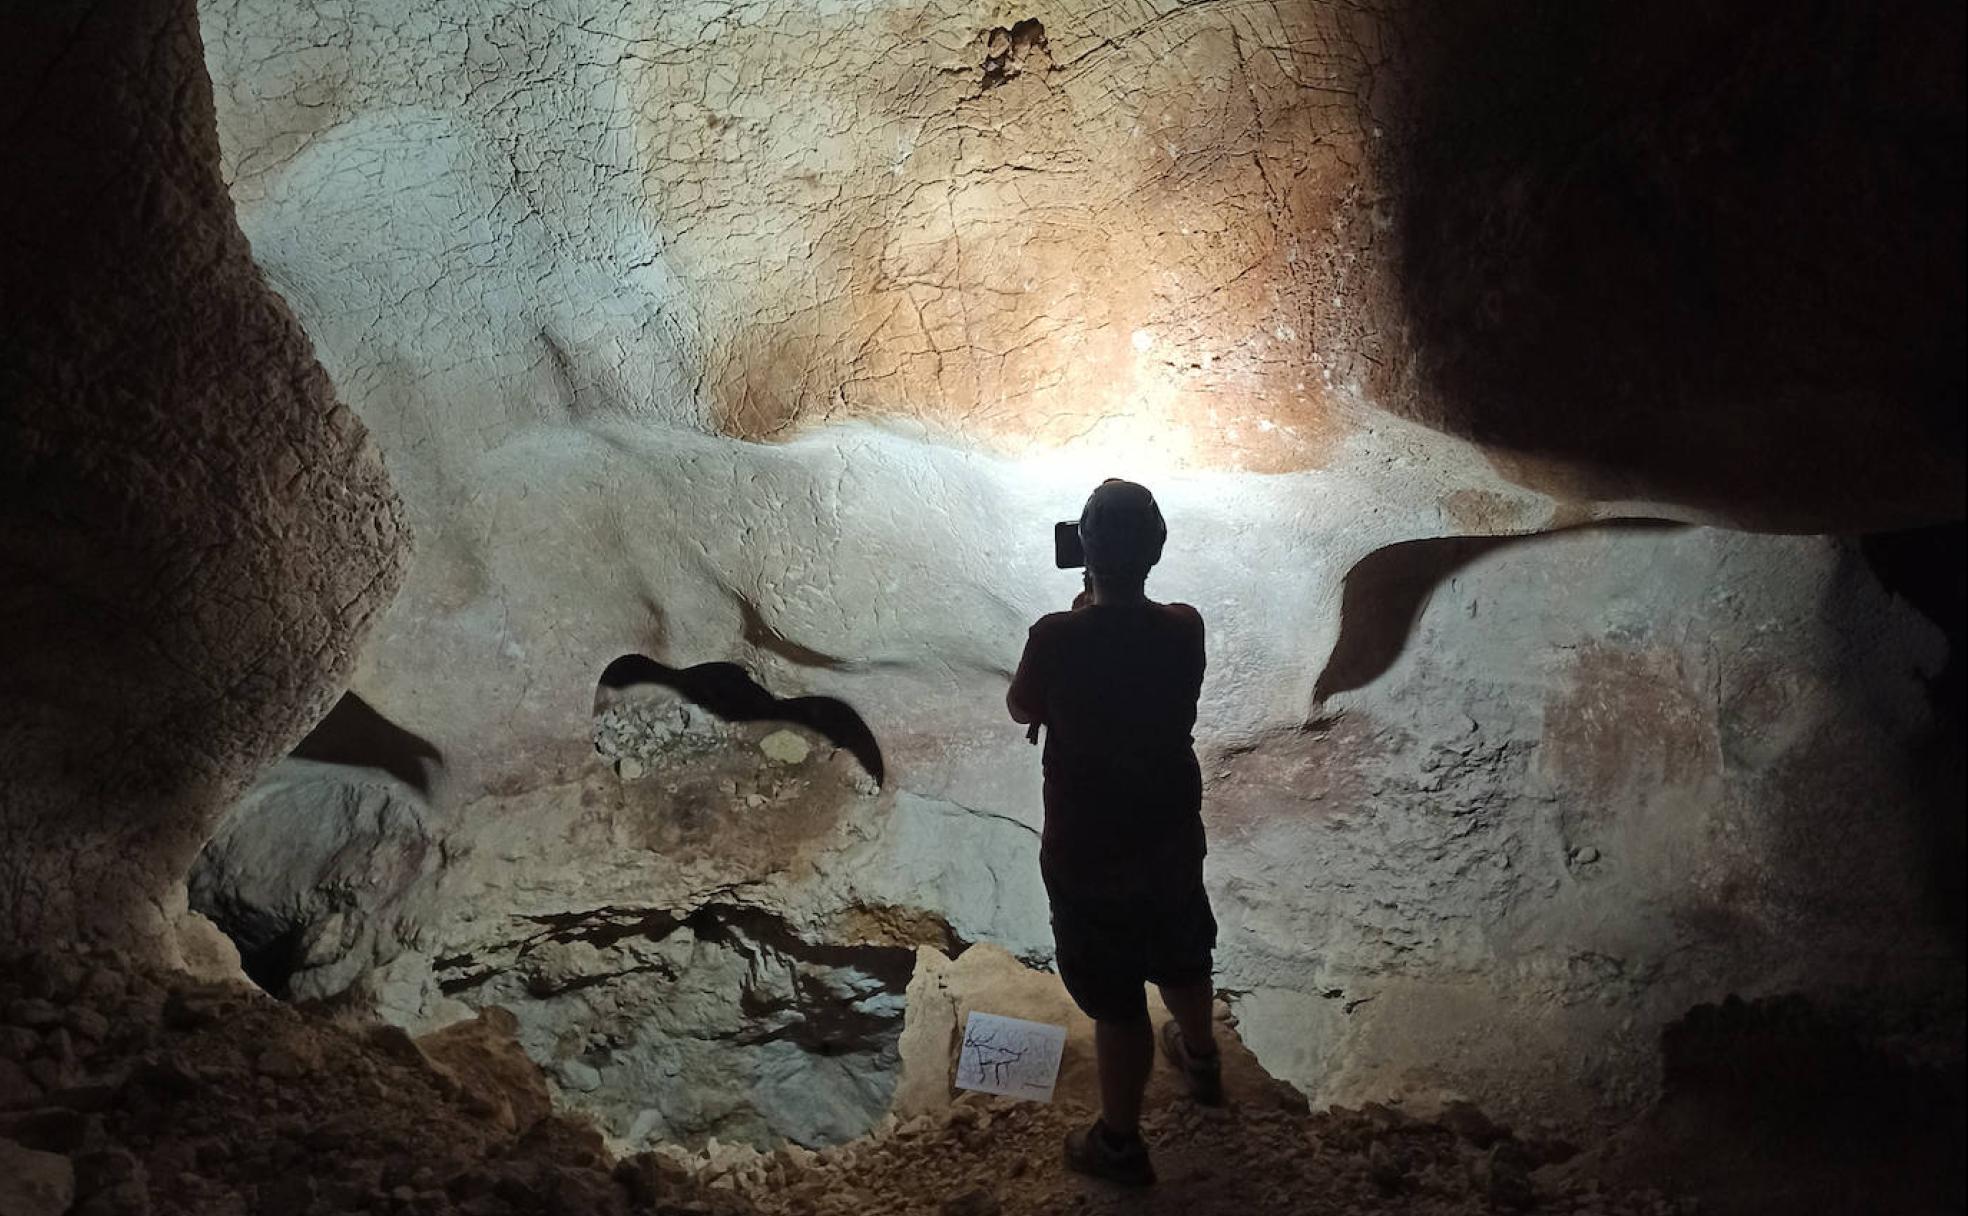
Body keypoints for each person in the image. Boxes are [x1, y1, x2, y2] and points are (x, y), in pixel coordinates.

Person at [1005, 478, 1223, 1187]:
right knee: (1184, 947)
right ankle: (1199, 1058)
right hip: (1167, 829)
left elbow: (1022, 706)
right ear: (1157, 549)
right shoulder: (1185, 625)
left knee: (1118, 996)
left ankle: (1120, 1146)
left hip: (1090, 844)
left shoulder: (1057, 636)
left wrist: (1080, 617)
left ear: (1084, 553)